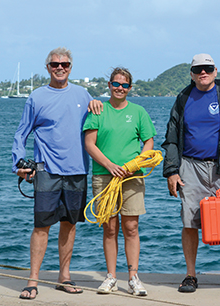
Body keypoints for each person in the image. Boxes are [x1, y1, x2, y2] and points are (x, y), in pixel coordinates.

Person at [12, 47, 103, 300]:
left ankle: (64, 277)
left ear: (71, 67)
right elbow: (21, 133)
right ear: (48, 68)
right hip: (46, 170)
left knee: (69, 224)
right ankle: (33, 280)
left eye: (64, 64)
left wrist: (97, 102)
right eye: (54, 64)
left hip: (77, 171)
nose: (59, 67)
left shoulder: (83, 94)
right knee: (41, 226)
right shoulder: (37, 97)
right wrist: (17, 163)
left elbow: (98, 125)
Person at [162, 53, 220, 293]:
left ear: (215, 71)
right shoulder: (183, 98)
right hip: (189, 166)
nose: (203, 72)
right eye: (198, 69)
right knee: (189, 221)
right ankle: (190, 275)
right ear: (191, 73)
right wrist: (171, 170)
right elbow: (171, 137)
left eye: (207, 68)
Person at [83, 67, 156, 296]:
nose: (120, 88)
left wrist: (133, 165)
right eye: (116, 84)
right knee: (110, 227)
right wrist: (110, 166)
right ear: (109, 85)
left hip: (132, 176)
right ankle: (111, 277)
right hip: (104, 176)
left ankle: (133, 277)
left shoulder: (139, 112)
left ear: (130, 88)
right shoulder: (97, 110)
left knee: (131, 227)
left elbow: (149, 142)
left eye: (124, 85)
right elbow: (90, 144)